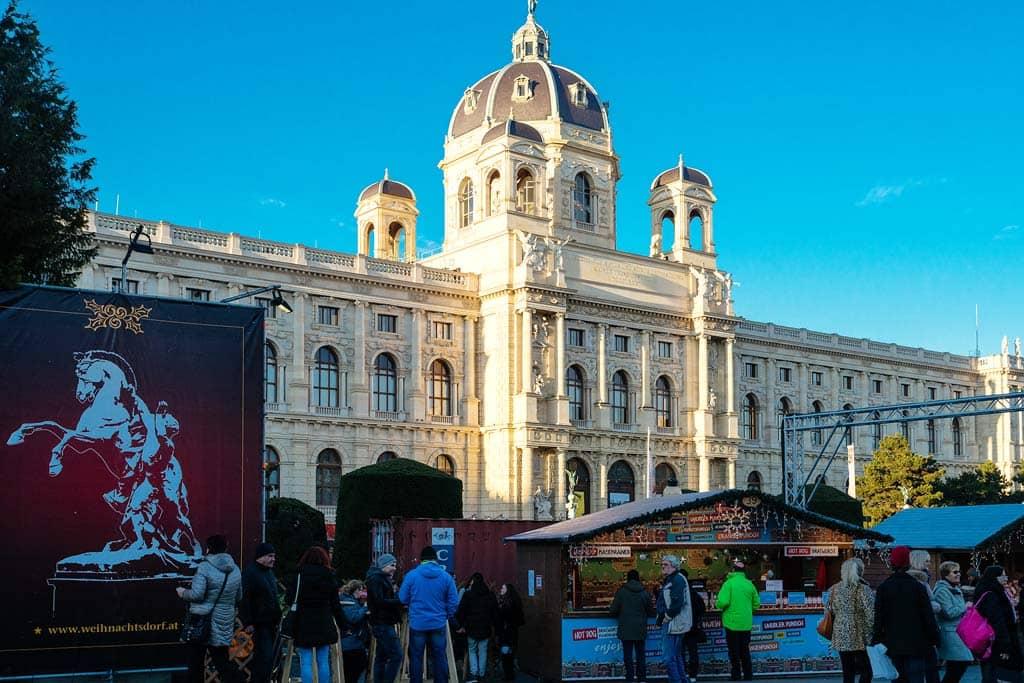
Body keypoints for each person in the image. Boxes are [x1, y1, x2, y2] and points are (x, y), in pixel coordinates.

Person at [176, 534, 244, 683]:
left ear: (208, 549)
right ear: (226, 548)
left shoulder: (204, 567)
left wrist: (183, 593)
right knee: (223, 662)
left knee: (196, 664)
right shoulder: (236, 570)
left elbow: (197, 595)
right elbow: (239, 597)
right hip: (224, 621)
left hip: (202, 621)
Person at [872, 545, 940, 683]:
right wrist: (934, 638)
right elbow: (927, 616)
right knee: (916, 677)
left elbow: (879, 616)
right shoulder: (917, 587)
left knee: (897, 677)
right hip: (917, 641)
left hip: (892, 641)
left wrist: (877, 638)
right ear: (908, 563)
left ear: (892, 563)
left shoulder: (884, 588)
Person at [398, 546, 459, 683]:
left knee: (416, 657)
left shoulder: (411, 576)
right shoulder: (446, 577)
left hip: (418, 624)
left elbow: (402, 598)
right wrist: (446, 615)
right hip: (438, 623)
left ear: (421, 560)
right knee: (440, 656)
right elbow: (454, 601)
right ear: (435, 560)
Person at [286, 546, 346, 683]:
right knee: (323, 660)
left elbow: (290, 599)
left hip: (303, 621)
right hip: (324, 621)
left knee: (306, 661)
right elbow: (336, 604)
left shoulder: (299, 575)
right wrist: (344, 625)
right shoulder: (329, 575)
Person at [826, 557, 875, 683]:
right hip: (860, 636)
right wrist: (872, 634)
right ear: (859, 571)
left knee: (848, 672)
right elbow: (871, 614)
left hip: (841, 635)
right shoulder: (863, 589)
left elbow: (829, 610)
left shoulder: (834, 589)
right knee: (867, 671)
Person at [240, 542, 281, 683]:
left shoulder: (269, 573)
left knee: (272, 659)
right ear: (260, 557)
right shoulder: (250, 573)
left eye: (274, 556)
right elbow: (244, 598)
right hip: (259, 624)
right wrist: (248, 621)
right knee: (264, 658)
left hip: (272, 623)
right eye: (270, 556)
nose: (273, 559)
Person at [975, 565, 1024, 683]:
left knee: (992, 669)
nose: (1005, 578)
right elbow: (996, 619)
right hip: (996, 640)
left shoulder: (994, 591)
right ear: (994, 577)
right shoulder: (992, 594)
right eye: (1002, 575)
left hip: (993, 638)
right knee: (995, 670)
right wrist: (1005, 641)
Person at [716, 557, 759, 682]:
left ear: (733, 571)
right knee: (745, 650)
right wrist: (746, 610)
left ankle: (736, 675)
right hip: (746, 623)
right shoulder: (749, 584)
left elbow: (723, 602)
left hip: (732, 623)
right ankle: (748, 675)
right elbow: (757, 604)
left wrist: (717, 605)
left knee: (734, 652)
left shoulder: (728, 584)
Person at [610, 569, 657, 683]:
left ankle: (630, 678)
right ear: (638, 578)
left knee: (628, 654)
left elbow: (613, 610)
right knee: (641, 654)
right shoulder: (644, 592)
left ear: (628, 578)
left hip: (626, 628)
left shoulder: (621, 591)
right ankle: (642, 678)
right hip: (640, 627)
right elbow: (651, 611)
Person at [932, 561, 973, 683]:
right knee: (960, 663)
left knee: (955, 666)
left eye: (959, 571)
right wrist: (965, 607)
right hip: (950, 633)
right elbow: (949, 613)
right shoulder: (942, 591)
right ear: (946, 575)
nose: (959, 574)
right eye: (955, 572)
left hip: (958, 632)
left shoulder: (955, 588)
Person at [455, 572, 500, 683]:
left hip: (471, 629)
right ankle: (482, 674)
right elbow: (496, 614)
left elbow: (461, 612)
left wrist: (459, 625)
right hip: (485, 629)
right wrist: (498, 630)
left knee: (472, 650)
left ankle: (474, 675)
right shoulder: (490, 595)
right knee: (483, 651)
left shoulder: (468, 595)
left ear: (473, 582)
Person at [366, 553, 403, 683]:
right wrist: (399, 601)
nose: (395, 568)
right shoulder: (377, 579)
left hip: (380, 622)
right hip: (383, 622)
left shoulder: (376, 578)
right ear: (383, 565)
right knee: (396, 655)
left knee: (381, 657)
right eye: (392, 565)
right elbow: (379, 600)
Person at [657, 555, 692, 683]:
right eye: (662, 564)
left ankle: (676, 680)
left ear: (674, 566)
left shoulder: (676, 579)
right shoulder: (673, 579)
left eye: (665, 564)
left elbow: (677, 602)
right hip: (675, 622)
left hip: (673, 623)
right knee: (675, 656)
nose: (663, 566)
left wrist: (666, 617)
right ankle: (682, 680)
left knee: (668, 658)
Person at [908, 550, 941, 683]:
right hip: (921, 629)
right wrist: (934, 606)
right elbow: (920, 604)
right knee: (925, 666)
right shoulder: (918, 581)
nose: (929, 563)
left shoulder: (923, 579)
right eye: (926, 560)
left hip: (922, 629)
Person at [340, 579, 371, 683]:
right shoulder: (347, 602)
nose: (362, 593)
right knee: (355, 667)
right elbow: (354, 618)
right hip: (350, 642)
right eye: (361, 590)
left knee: (355, 668)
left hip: (353, 641)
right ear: (356, 590)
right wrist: (365, 608)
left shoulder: (350, 601)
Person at [680, 569, 706, 682]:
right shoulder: (694, 594)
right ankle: (692, 675)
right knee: (693, 652)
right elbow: (702, 609)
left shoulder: (676, 592)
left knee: (679, 653)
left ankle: (682, 673)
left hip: (680, 628)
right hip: (692, 627)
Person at [497, 583, 525, 681]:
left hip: (505, 632)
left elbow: (501, 618)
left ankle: (508, 674)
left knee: (505, 654)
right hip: (513, 632)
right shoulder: (516, 601)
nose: (501, 589)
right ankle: (510, 673)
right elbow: (521, 620)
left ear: (507, 590)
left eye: (503, 588)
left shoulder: (505, 604)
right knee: (510, 653)